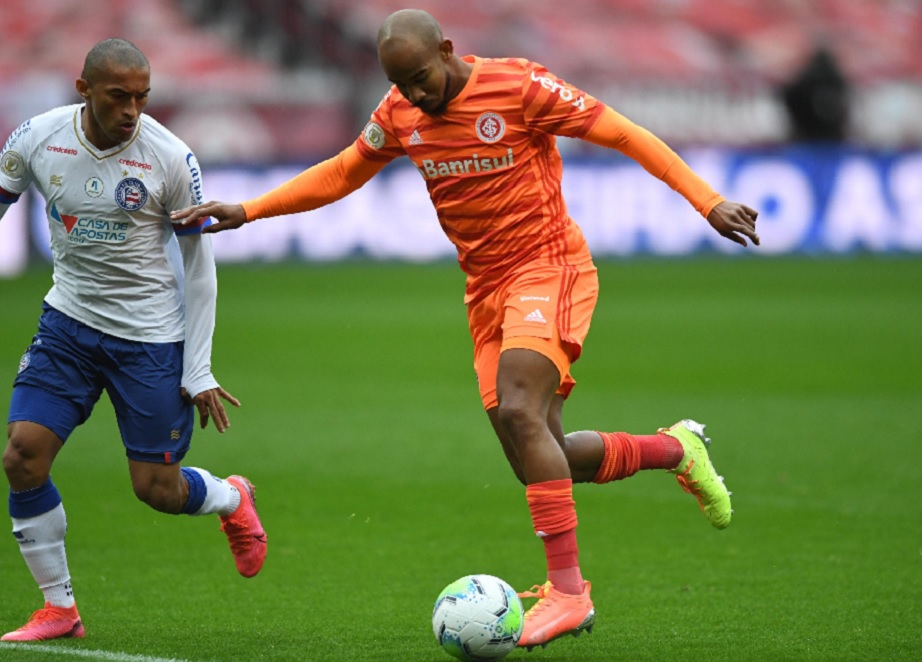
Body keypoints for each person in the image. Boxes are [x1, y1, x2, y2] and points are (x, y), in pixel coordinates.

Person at [173, 9, 759, 651]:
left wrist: (708, 200)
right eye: (402, 84)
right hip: (486, 290)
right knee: (541, 455)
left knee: (518, 411)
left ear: (448, 50)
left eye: (421, 78)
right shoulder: (398, 112)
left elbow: (623, 133)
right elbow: (343, 171)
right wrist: (248, 209)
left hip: (550, 267)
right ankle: (676, 450)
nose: (415, 96)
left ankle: (569, 592)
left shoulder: (520, 86)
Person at [0, 38, 267, 642]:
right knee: (21, 455)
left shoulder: (170, 157)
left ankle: (232, 499)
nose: (132, 109)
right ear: (85, 90)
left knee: (155, 490)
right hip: (68, 326)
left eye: (142, 97)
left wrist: (199, 367)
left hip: (150, 339)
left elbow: (200, 266)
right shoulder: (39, 137)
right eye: (118, 96)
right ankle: (59, 608)